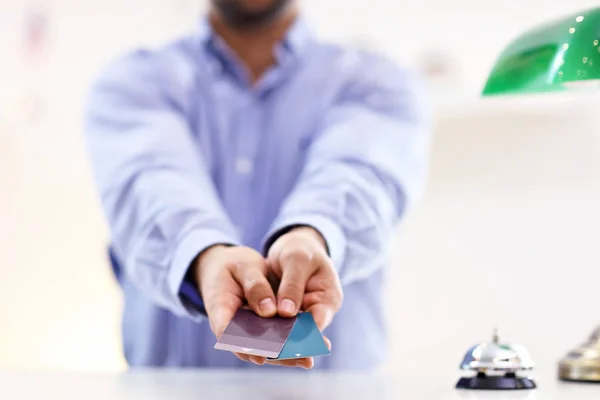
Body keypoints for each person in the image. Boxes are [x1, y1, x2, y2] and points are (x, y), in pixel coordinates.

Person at [84, 0, 432, 371]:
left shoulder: (376, 83)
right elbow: (150, 182)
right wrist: (206, 256)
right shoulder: (134, 82)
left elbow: (360, 178)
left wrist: (311, 235)